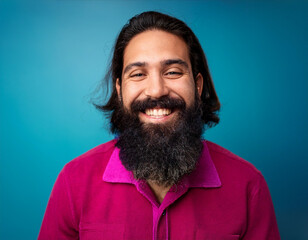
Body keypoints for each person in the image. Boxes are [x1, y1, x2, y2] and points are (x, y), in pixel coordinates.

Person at [38, 11, 280, 240]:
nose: (156, 89)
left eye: (173, 72)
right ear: (120, 90)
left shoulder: (249, 185)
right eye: (138, 74)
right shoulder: (73, 182)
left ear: (197, 85)